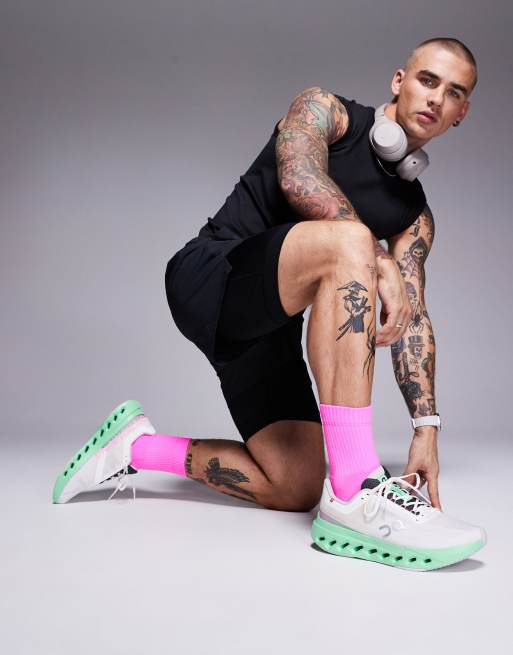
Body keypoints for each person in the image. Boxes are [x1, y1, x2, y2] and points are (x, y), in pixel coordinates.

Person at [53, 37, 486, 571]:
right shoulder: (326, 110)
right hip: (212, 275)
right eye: (427, 80)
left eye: (454, 92)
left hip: (268, 327)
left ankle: (134, 448)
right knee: (351, 240)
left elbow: (412, 318)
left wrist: (427, 427)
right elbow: (299, 177)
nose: (437, 98)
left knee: (295, 484)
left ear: (461, 113)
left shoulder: (414, 218)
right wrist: (379, 260)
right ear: (400, 81)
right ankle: (355, 487)